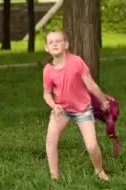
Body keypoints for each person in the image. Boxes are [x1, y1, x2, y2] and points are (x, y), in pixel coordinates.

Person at [42, 31, 110, 181]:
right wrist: (54, 105)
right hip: (61, 109)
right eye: (51, 42)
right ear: (46, 47)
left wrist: (103, 100)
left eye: (58, 41)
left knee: (92, 145)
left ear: (66, 45)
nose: (54, 44)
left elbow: (91, 84)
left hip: (82, 109)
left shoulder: (76, 62)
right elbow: (46, 94)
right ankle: (54, 176)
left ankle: (99, 171)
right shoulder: (47, 70)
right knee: (50, 141)